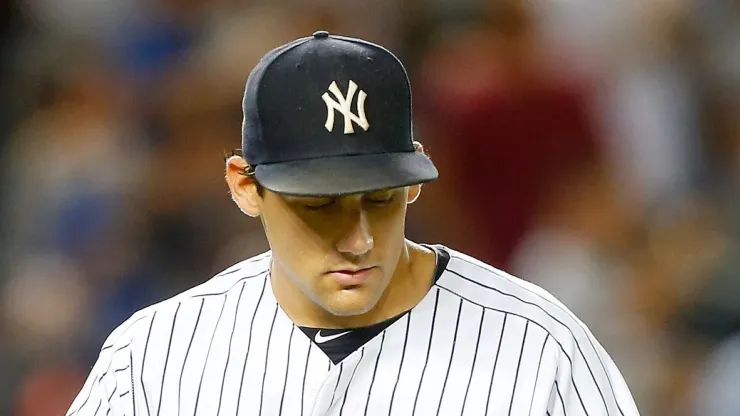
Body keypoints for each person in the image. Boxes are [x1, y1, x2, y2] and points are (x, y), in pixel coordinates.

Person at [65, 30, 639, 416]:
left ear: (415, 178)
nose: (359, 238)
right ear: (246, 186)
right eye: (319, 206)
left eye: (382, 199)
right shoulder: (156, 356)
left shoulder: (538, 347)